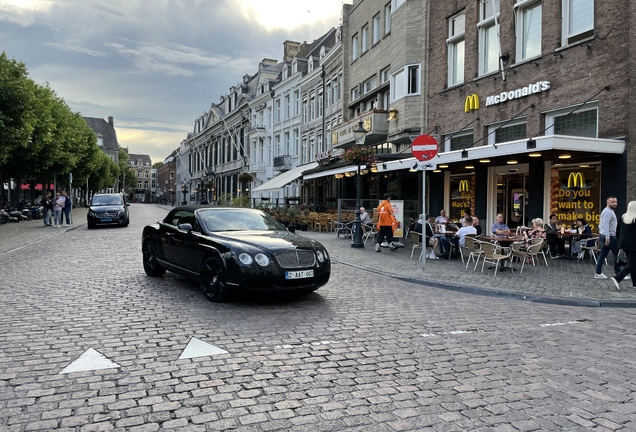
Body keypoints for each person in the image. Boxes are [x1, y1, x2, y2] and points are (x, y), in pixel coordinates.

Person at [611, 200, 636, 290]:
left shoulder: (623, 217)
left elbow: (618, 230)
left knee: (633, 263)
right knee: (632, 265)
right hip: (634, 245)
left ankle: (635, 283)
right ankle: (617, 278)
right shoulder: (635, 218)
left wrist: (619, 242)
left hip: (624, 244)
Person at [595, 196, 621, 279]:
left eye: (615, 202)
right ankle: (618, 274)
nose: (614, 204)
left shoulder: (607, 211)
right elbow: (605, 225)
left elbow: (601, 224)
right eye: (612, 202)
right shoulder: (608, 212)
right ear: (607, 202)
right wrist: (607, 237)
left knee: (603, 254)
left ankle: (598, 272)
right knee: (617, 254)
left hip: (607, 235)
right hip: (610, 236)